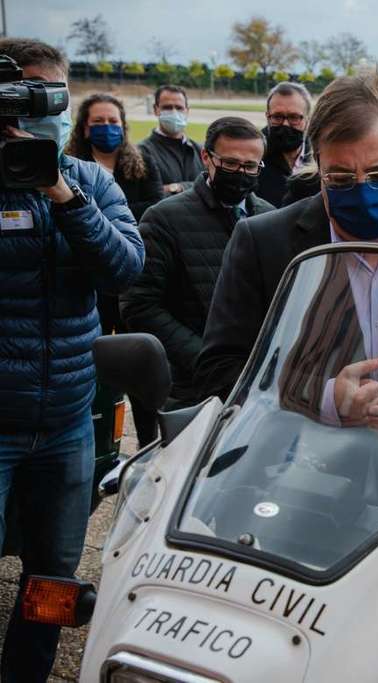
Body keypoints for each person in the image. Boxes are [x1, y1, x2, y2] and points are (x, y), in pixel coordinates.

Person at [195, 73, 378, 402]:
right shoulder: (262, 243)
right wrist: (322, 398)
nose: (362, 190)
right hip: (300, 449)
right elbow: (219, 370)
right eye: (341, 177)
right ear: (318, 165)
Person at [0, 37, 143, 682]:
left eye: (53, 95)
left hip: (65, 423)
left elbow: (125, 267)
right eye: (24, 92)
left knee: (51, 585)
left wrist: (60, 192)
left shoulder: (88, 181)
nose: (41, 108)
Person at [120, 117, 274, 408]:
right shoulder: (164, 218)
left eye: (250, 166)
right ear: (206, 157)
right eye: (230, 163)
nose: (240, 173)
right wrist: (204, 358)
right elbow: (140, 305)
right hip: (191, 388)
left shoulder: (269, 217)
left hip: (256, 388)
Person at [65, 93, 163, 222]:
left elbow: (155, 205)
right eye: (98, 121)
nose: (106, 126)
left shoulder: (144, 162)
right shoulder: (70, 166)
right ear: (85, 128)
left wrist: (100, 211)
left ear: (122, 126)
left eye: (113, 121)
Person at [138, 84, 203, 196]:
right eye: (167, 108)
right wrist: (195, 186)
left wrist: (178, 187)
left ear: (187, 111)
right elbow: (151, 195)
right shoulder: (142, 152)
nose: (174, 112)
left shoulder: (199, 150)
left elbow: (212, 186)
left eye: (179, 108)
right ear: (156, 110)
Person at [257, 81, 313, 208]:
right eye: (277, 117)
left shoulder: (321, 157)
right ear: (268, 117)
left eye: (294, 117)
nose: (285, 124)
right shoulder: (253, 157)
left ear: (307, 120)